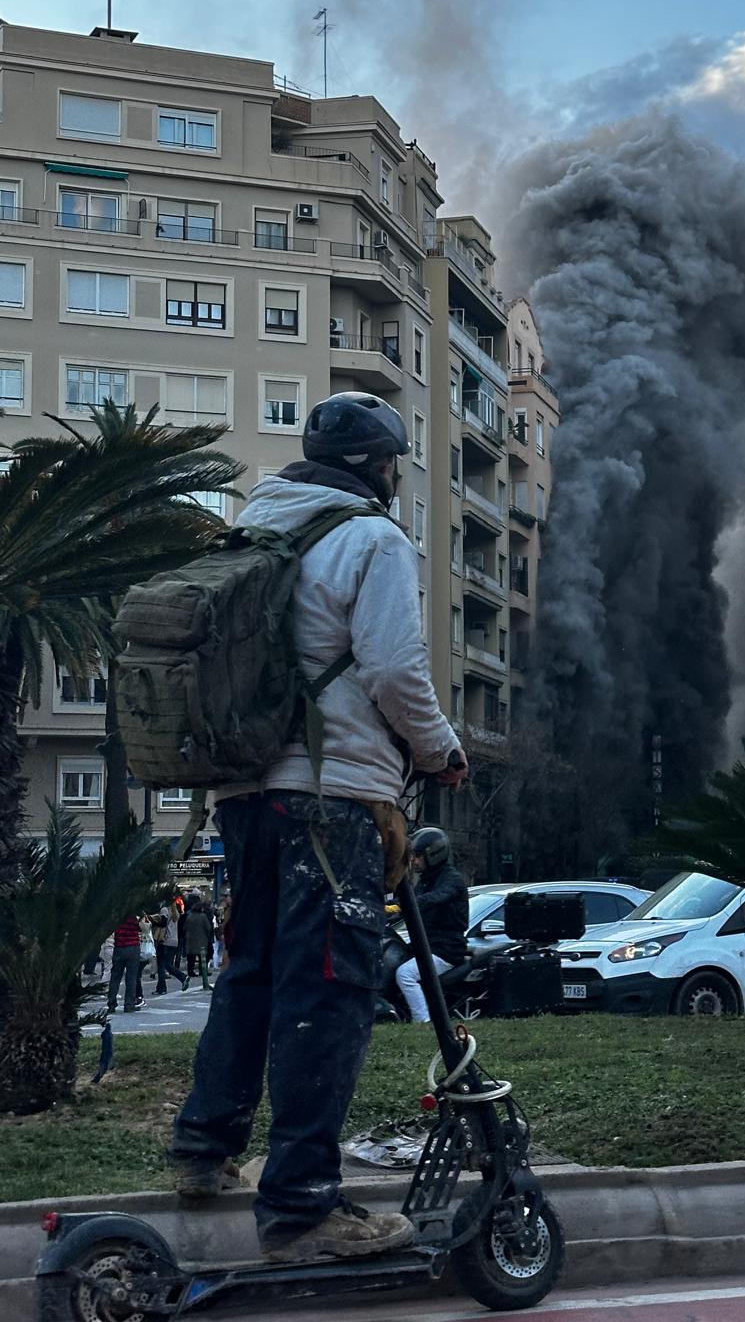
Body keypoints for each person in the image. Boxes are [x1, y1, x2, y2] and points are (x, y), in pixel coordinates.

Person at [169, 392, 468, 1264]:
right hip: (330, 797)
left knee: (252, 969)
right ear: (381, 464)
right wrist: (441, 748)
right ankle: (302, 1209)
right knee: (329, 990)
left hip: (245, 794)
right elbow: (393, 669)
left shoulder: (256, 528)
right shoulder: (373, 538)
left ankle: (205, 1149)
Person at [394, 827, 469, 1023]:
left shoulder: (452, 880)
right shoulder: (426, 880)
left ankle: (423, 1021)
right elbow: (413, 898)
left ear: (434, 854)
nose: (414, 861)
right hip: (428, 946)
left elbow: (435, 898)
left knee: (405, 974)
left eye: (418, 856)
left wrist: (408, 904)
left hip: (446, 949)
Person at [107, 914, 142, 1014]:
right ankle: (129, 1004)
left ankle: (111, 1003)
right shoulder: (135, 914)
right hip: (133, 946)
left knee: (115, 977)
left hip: (119, 946)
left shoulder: (118, 914)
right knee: (131, 978)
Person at [154, 903, 187, 994]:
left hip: (165, 940)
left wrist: (154, 920)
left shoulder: (164, 910)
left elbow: (163, 923)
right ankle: (161, 987)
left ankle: (163, 987)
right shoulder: (175, 911)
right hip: (174, 940)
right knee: (167, 964)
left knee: (162, 964)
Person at [183, 899, 215, 991]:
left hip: (190, 939)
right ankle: (202, 971)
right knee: (203, 957)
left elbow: (184, 927)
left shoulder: (190, 916)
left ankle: (190, 971)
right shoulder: (203, 916)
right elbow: (208, 928)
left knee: (191, 957)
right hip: (201, 940)